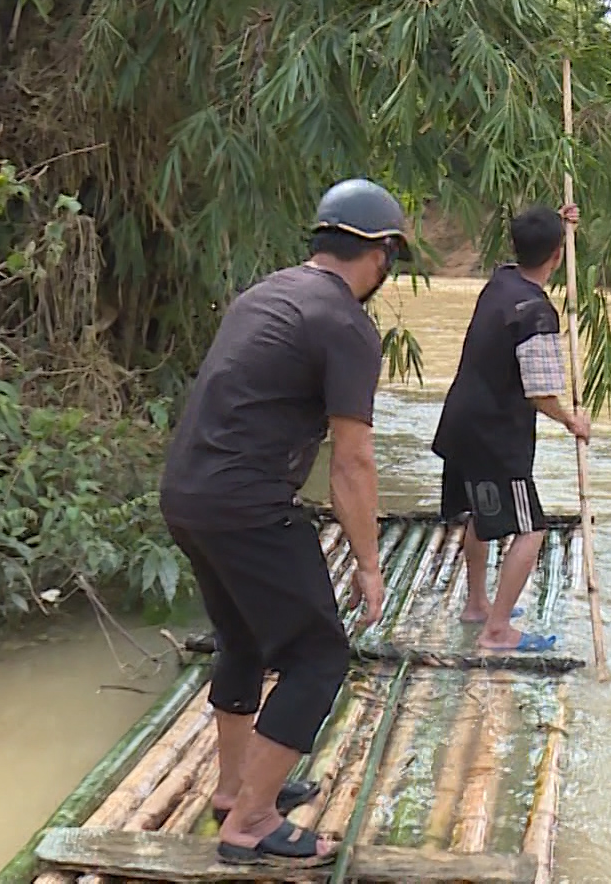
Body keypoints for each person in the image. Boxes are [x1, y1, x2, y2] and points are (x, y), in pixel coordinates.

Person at [157, 179, 409, 865]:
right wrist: (367, 563)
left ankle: (233, 789)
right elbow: (353, 461)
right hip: (247, 505)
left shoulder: (265, 293)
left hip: (187, 493)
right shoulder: (346, 325)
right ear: (382, 253)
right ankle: (252, 822)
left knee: (242, 640)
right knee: (318, 655)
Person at [431, 203, 590, 653]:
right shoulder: (535, 313)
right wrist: (571, 421)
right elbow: (539, 392)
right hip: (494, 436)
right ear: (557, 257)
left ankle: (478, 603)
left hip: (461, 421)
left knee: (482, 515)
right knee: (531, 528)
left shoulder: (499, 283)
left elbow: (532, 252)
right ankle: (497, 629)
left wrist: (562, 227)